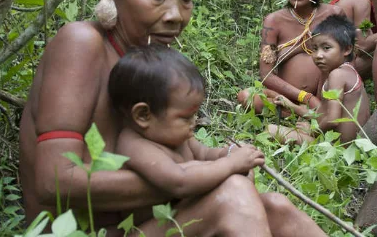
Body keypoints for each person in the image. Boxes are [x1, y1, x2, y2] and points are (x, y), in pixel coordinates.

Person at [19, 0, 326, 236]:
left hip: (142, 224)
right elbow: (53, 181)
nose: (176, 14)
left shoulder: (151, 64)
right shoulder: (81, 43)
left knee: (275, 206)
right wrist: (191, 179)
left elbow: (187, 148)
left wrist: (226, 157)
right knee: (231, 197)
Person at [110, 45, 268, 233]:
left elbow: (207, 154)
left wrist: (231, 152)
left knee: (277, 204)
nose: (194, 122)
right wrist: (232, 164)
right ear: (143, 115)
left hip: (186, 220)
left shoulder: (179, 137)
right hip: (151, 230)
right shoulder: (134, 145)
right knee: (236, 193)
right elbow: (180, 182)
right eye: (186, 117)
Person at [237, 0, 344, 113]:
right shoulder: (274, 21)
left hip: (326, 96)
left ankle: (310, 115)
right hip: (284, 97)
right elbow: (266, 74)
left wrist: (322, 94)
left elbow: (345, 60)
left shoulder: (333, 14)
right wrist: (305, 97)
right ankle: (298, 114)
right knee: (246, 96)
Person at [267, 15, 371, 144]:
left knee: (269, 130)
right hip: (351, 147)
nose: (318, 55)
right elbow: (322, 113)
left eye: (326, 48)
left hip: (337, 149)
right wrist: (292, 106)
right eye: (314, 49)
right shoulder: (348, 71)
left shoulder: (337, 75)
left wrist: (312, 131)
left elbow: (332, 119)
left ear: (347, 49)